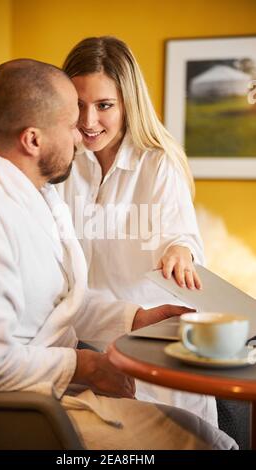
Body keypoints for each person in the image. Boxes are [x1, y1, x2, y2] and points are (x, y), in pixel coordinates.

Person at [0, 59, 236, 450]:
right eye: (72, 123)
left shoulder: (28, 186)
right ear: (32, 140)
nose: (81, 134)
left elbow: (61, 300)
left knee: (211, 434)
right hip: (24, 407)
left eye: (102, 106)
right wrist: (84, 365)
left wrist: (136, 317)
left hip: (58, 381)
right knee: (215, 444)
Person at [58, 36, 216, 424]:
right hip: (77, 351)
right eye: (78, 105)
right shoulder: (57, 162)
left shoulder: (158, 164)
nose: (88, 121)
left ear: (129, 102)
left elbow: (181, 235)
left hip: (150, 347)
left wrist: (180, 251)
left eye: (104, 105)